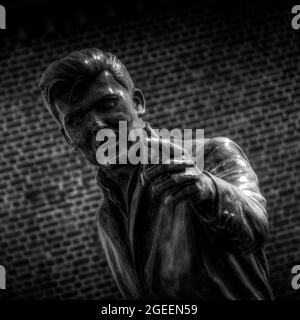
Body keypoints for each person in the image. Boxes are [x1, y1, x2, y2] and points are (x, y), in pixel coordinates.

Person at [39, 48, 274, 299]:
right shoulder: (107, 218)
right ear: (68, 137)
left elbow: (254, 228)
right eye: (76, 120)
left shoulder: (208, 155)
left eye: (107, 104)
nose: (95, 124)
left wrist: (207, 189)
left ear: (137, 103)